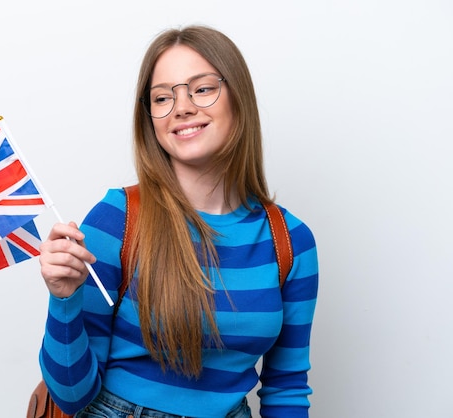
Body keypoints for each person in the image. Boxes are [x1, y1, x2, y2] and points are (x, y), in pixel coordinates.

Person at [38, 25, 318, 418]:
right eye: (162, 97)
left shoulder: (290, 242)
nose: (182, 107)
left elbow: (286, 387)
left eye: (202, 89)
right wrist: (63, 299)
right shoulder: (117, 219)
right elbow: (71, 395)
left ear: (239, 98)